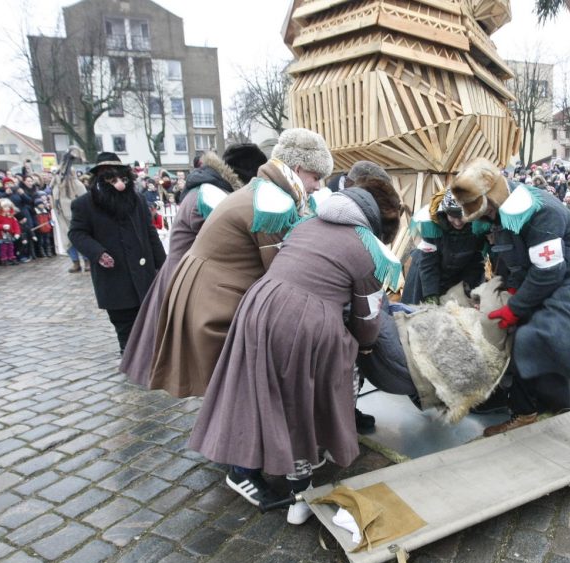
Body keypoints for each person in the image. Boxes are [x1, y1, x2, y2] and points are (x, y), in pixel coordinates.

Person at [188, 183, 403, 520]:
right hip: (304, 324)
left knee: (260, 391)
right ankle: (300, 488)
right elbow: (367, 317)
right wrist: (363, 346)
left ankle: (249, 463)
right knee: (310, 396)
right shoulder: (368, 250)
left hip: (258, 306)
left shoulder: (307, 225)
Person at [449, 158, 570, 451]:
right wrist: (512, 294)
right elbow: (518, 261)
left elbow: (549, 272)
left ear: (494, 197)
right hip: (547, 277)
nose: (483, 218)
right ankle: (528, 411)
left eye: (485, 209)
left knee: (552, 328)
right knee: (523, 336)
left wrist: (515, 307)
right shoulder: (502, 215)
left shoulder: (540, 211)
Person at [149, 129, 331, 398]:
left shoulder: (264, 190)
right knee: (237, 391)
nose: (317, 186)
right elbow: (281, 275)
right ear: (298, 167)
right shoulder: (273, 202)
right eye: (315, 177)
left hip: (208, 289)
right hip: (215, 298)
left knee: (228, 391)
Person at [119, 144, 267, 387]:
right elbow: (229, 241)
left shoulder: (211, 189)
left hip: (189, 276)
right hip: (188, 281)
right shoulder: (209, 195)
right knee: (193, 358)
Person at [68, 153, 167, 352]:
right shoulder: (84, 204)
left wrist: (164, 264)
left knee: (149, 317)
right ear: (102, 180)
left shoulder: (136, 200)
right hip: (114, 274)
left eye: (122, 179)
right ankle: (130, 356)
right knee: (124, 321)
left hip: (142, 271)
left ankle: (149, 355)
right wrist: (97, 253)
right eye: (113, 180)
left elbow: (150, 232)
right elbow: (77, 234)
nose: (120, 185)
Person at [402, 188, 487, 305]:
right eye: (452, 216)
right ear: (445, 212)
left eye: (462, 217)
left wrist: (470, 289)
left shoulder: (477, 225)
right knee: (422, 312)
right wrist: (431, 296)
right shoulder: (431, 225)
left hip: (459, 272)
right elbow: (429, 264)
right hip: (426, 273)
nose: (458, 222)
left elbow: (476, 260)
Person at [0, 199, 21, 266]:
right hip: (1, 235)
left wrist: (17, 233)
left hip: (10, 235)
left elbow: (16, 225)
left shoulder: (11, 217)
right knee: (3, 248)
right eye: (5, 207)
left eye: (8, 207)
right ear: (1, 208)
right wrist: (3, 226)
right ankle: (4, 259)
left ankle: (11, 258)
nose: (7, 208)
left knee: (11, 247)